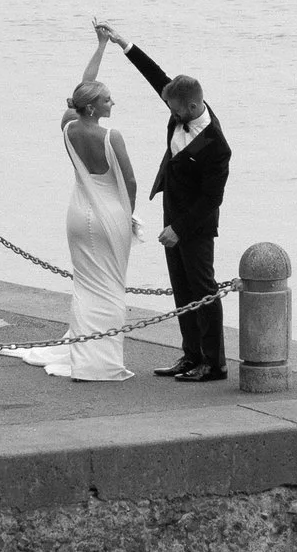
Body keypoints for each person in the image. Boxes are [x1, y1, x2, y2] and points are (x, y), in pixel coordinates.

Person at [98, 23, 230, 380]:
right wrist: (125, 45)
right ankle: (190, 355)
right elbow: (157, 77)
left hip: (197, 223)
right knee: (181, 287)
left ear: (191, 106)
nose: (170, 114)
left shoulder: (217, 146)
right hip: (171, 210)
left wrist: (180, 230)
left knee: (203, 289)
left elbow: (212, 199)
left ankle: (213, 363)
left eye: (174, 111)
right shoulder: (180, 103)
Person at [18, 30, 139, 381]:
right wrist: (128, 215)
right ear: (93, 107)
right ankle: (103, 362)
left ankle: (84, 352)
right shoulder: (111, 136)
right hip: (109, 216)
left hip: (77, 213)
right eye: (107, 100)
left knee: (85, 286)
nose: (112, 103)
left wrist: (101, 46)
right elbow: (130, 182)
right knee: (112, 287)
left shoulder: (69, 127)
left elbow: (84, 85)